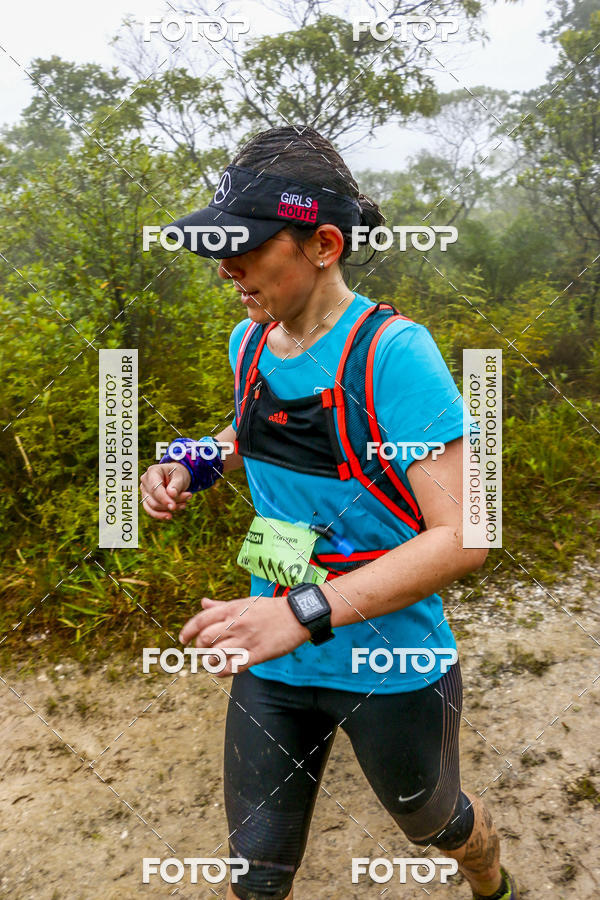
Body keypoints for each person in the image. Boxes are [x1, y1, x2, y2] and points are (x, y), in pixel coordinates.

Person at [140, 125, 519, 900]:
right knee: (256, 874)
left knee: (435, 822)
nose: (225, 267)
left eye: (247, 245)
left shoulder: (393, 353)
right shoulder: (250, 342)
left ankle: (494, 882)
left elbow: (465, 537)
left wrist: (301, 611)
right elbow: (252, 427)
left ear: (322, 244)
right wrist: (193, 461)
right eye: (219, 246)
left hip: (390, 662)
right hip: (274, 652)